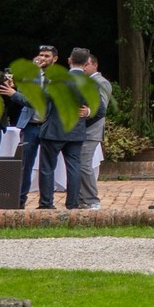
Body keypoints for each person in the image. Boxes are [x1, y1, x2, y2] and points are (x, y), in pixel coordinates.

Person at [40, 47, 113, 211]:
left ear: (68, 60)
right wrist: (86, 114)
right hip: (76, 133)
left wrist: (15, 95)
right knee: (73, 168)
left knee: (47, 168)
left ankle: (46, 203)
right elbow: (100, 109)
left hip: (54, 130)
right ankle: (72, 204)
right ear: (87, 62)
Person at [19, 43, 59, 204]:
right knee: (25, 165)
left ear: (55, 59)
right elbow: (22, 95)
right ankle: (20, 200)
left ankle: (46, 202)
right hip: (30, 125)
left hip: (49, 125)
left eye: (47, 56)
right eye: (41, 55)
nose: (42, 58)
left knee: (47, 166)